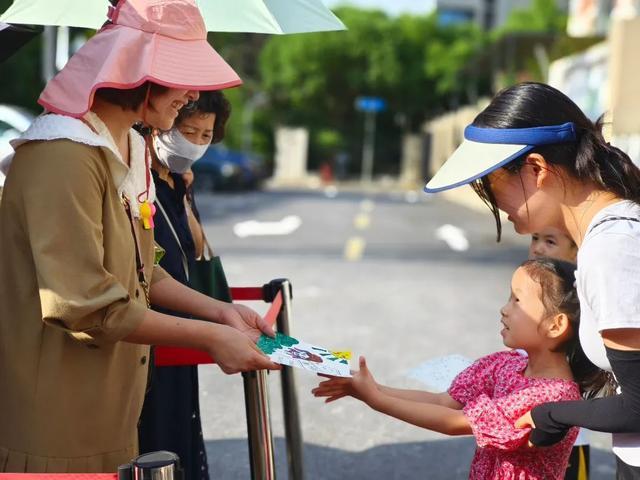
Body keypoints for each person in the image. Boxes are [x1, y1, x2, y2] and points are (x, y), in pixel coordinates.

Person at [0, 0, 279, 473]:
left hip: (112, 407)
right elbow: (87, 304)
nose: (192, 94)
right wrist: (210, 337)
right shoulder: (63, 156)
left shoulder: (123, 145)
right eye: (180, 75)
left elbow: (145, 267)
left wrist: (220, 312)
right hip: (56, 415)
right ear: (136, 72)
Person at [424, 81, 638, 478]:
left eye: (493, 188)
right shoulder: (608, 236)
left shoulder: (614, 246)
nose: (502, 212)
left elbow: (638, 404)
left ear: (536, 169)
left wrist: (552, 413)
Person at [313, 258, 609, 480]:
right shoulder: (505, 364)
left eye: (517, 300)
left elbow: (454, 422)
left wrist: (376, 400)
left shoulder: (553, 397)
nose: (504, 308)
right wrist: (370, 387)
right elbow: (445, 402)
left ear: (555, 325)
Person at [137, 91, 230, 480]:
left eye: (206, 135)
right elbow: (145, 269)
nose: (194, 141)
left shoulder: (177, 179)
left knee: (179, 427)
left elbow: (195, 248)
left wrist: (187, 192)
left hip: (182, 327)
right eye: (187, 129)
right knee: (153, 436)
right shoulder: (134, 172)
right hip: (145, 333)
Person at [528, 230, 588, 479]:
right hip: (529, 428)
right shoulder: (532, 289)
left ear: (577, 252)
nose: (538, 248)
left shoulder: (579, 307)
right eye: (535, 238)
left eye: (550, 242)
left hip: (567, 439)